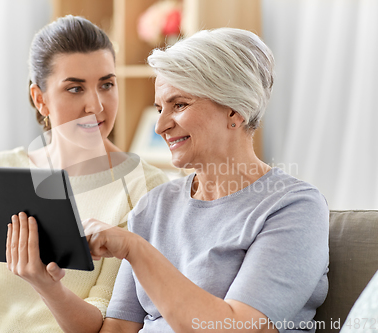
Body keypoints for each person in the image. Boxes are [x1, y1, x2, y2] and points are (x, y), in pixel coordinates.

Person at [78, 28, 330, 333]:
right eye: (160, 108)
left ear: (235, 110)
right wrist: (43, 282)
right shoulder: (154, 206)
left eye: (179, 105)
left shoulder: (294, 207)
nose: (159, 126)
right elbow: (118, 329)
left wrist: (136, 249)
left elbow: (239, 328)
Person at [0, 15, 169, 333]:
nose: (95, 106)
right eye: (75, 88)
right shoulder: (1, 169)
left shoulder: (145, 187)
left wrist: (47, 287)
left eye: (107, 84)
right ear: (40, 98)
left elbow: (104, 326)